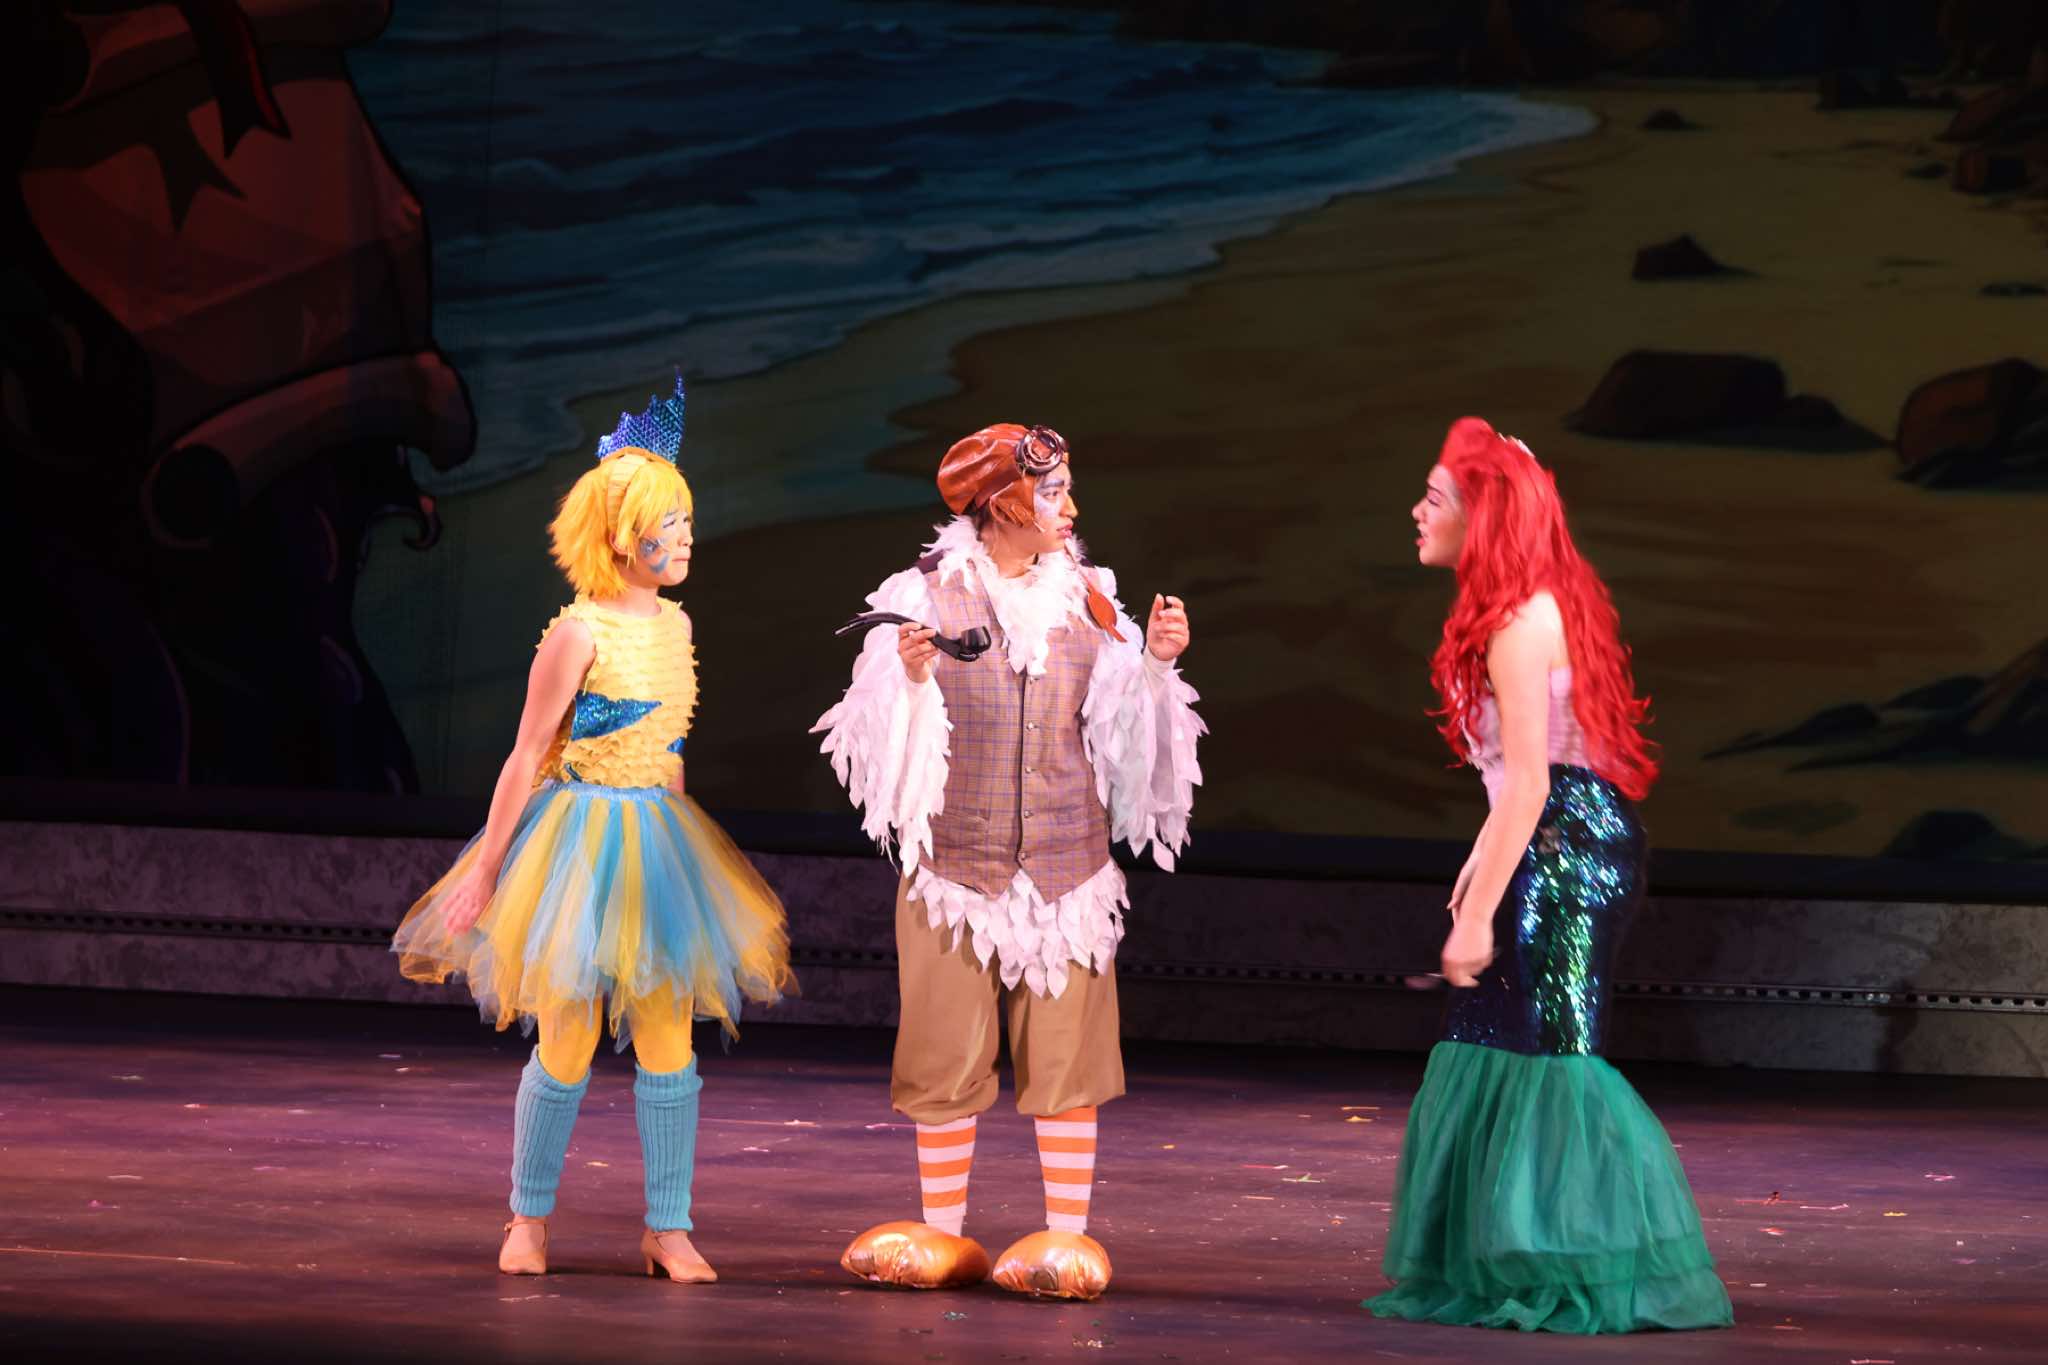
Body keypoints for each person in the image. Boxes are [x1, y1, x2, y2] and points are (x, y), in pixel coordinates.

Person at [392, 376, 793, 1283]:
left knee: (669, 1040)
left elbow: (670, 744)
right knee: (567, 1036)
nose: (685, 538)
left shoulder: (678, 627)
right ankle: (528, 1218)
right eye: (668, 524)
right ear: (621, 536)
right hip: (579, 843)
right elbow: (526, 753)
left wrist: (685, 847)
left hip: (657, 844)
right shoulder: (577, 634)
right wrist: (488, 869)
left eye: (687, 522)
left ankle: (668, 1227)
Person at [814, 423, 1203, 1299]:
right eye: (1052, 492)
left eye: (1065, 489)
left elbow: (1125, 740)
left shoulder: (1093, 602)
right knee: (944, 1050)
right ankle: (942, 1231)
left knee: (1067, 1057)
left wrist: (1155, 664)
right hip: (958, 870)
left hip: (1067, 874)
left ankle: (1066, 1234)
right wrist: (913, 680)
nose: (1069, 508)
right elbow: (873, 745)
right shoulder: (924, 595)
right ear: (1003, 503)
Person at [1363, 418, 1733, 1333]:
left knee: (1553, 1048)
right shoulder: (1511, 611)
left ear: (1481, 518)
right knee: (1494, 1038)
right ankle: (1505, 1261)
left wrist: (1475, 916)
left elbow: (1535, 783)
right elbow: (1516, 782)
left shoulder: (1522, 622)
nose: (1417, 510)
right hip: (1548, 833)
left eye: (1435, 498)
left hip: (1570, 847)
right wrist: (1479, 864)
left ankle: (1587, 1267)